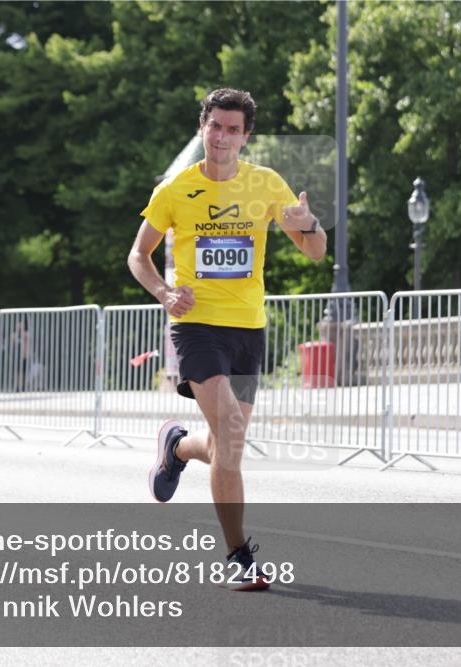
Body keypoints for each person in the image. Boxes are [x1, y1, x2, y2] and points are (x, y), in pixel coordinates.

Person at [127, 88, 327, 590]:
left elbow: (315, 253)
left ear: (245, 136)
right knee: (234, 433)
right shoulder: (175, 190)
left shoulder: (266, 184)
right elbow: (138, 256)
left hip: (248, 330)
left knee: (224, 445)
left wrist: (310, 224)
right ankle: (238, 554)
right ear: (203, 128)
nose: (222, 137)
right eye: (215, 126)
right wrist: (164, 293)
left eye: (232, 129)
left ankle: (177, 449)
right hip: (196, 326)